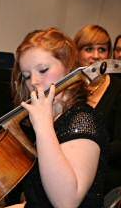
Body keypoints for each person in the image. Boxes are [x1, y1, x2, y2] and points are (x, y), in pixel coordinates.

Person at [9, 28, 106, 207]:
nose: (34, 82)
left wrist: (43, 127)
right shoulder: (53, 121)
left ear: (68, 67)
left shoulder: (82, 121)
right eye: (27, 76)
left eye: (43, 70)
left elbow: (66, 202)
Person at [74, 24, 121, 197]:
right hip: (70, 167)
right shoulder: (69, 89)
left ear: (108, 54)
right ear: (77, 53)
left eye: (102, 49)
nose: (96, 56)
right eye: (88, 49)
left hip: (106, 173)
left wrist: (87, 156)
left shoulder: (118, 88)